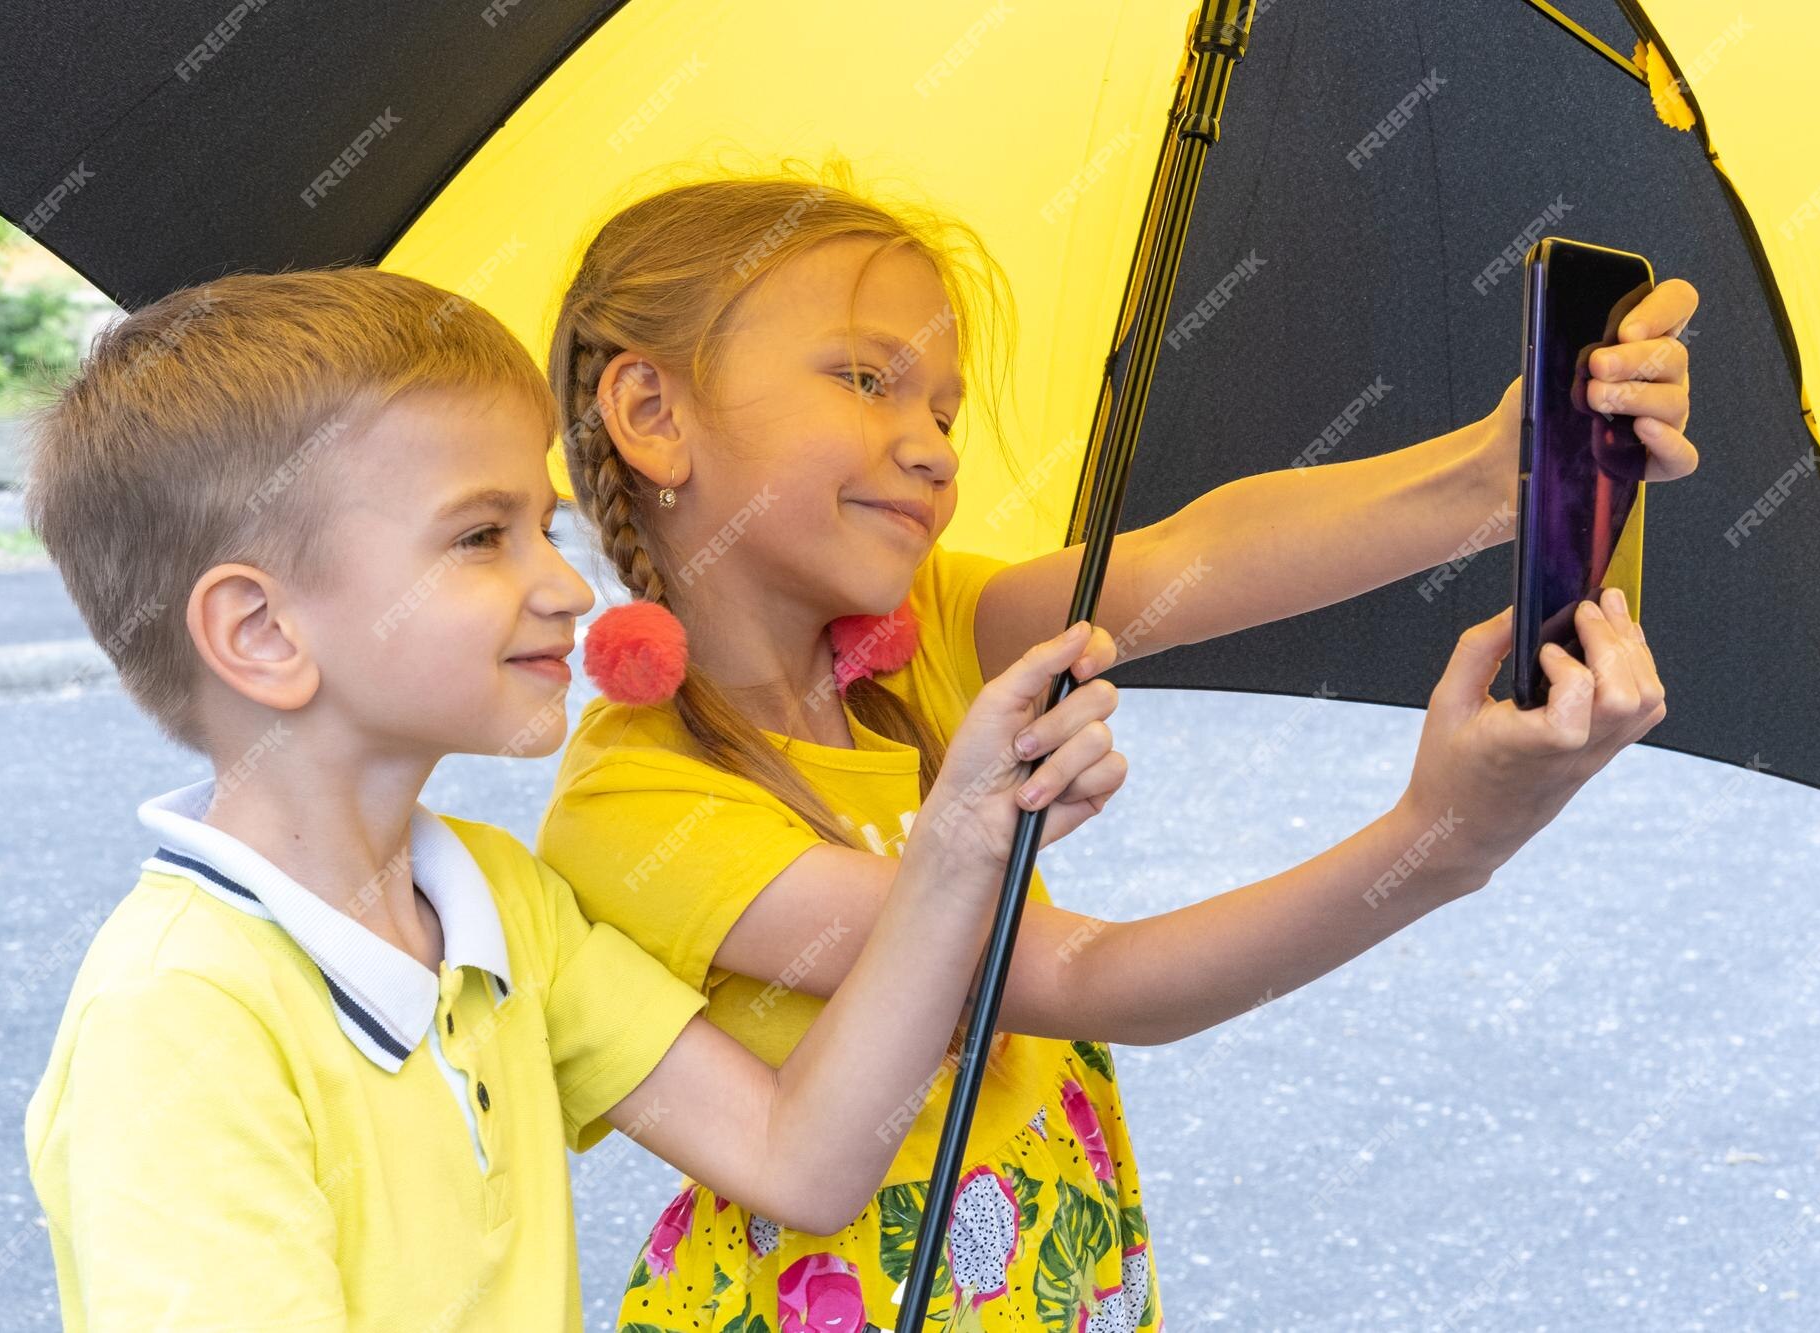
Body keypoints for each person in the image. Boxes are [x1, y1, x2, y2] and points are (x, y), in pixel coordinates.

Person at [535, 166, 1692, 1330]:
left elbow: (1197, 553)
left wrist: (1490, 477)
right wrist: (1436, 841)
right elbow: (1093, 978)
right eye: (864, 379)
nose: (933, 449)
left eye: (941, 409)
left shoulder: (922, 638)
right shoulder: (640, 804)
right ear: (651, 415)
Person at [17, 265, 1131, 1332]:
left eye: (544, 529)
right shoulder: (177, 1019)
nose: (563, 586)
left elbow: (802, 1161)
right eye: (478, 536)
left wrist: (955, 848)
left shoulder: (500, 904)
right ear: (261, 633)